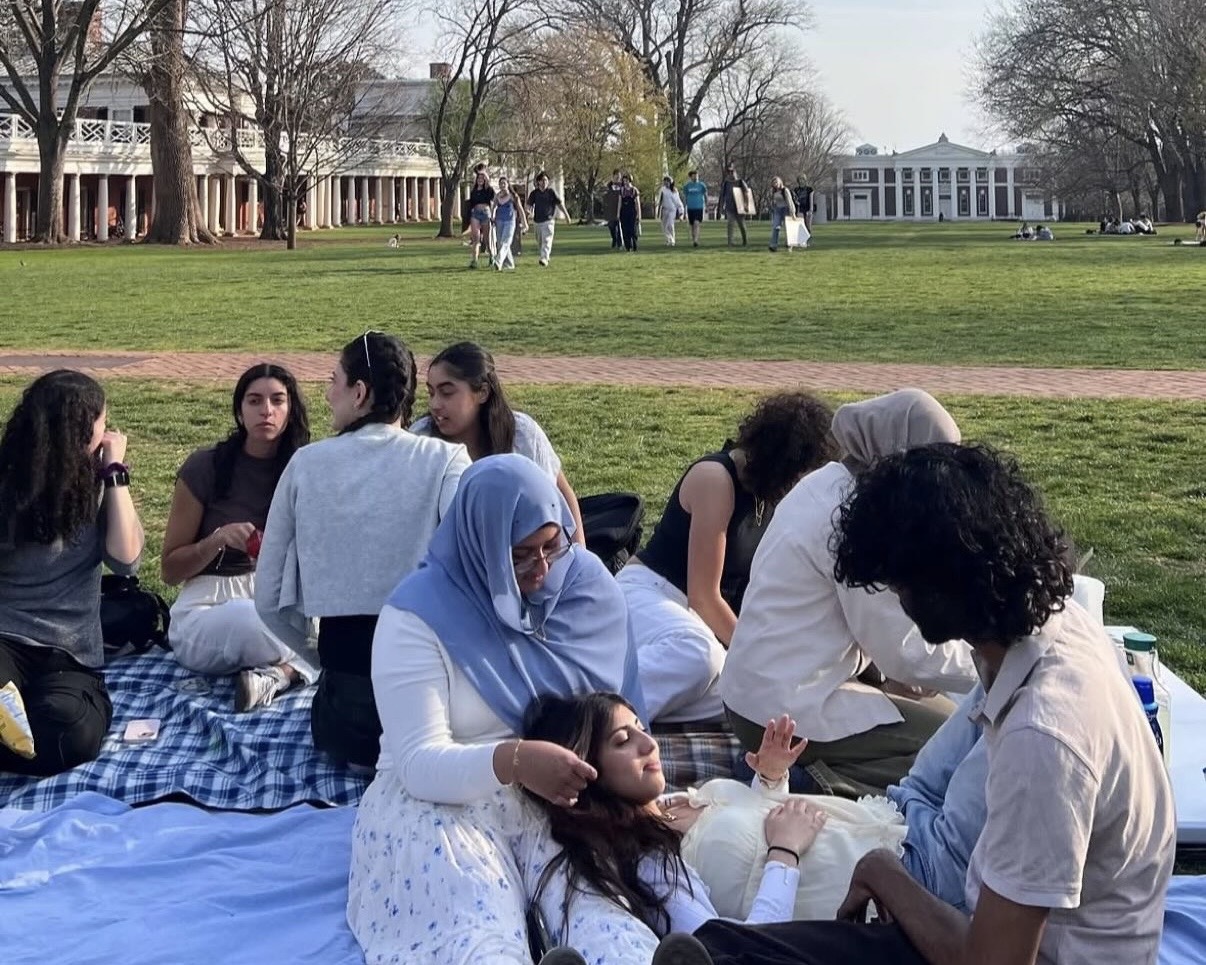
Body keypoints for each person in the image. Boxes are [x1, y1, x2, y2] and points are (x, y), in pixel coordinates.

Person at [693, 443, 1176, 965]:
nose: (895, 599)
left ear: (935, 586)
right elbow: (921, 795)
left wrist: (885, 873)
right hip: (989, 928)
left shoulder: (1045, 735)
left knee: (745, 958)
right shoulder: (1042, 632)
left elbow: (992, 962)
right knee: (728, 943)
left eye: (896, 584)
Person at [346, 455, 656, 965]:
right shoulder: (417, 616)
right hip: (438, 802)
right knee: (472, 917)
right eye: (520, 555)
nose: (542, 569)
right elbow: (419, 762)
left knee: (601, 912)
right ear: (482, 544)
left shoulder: (583, 586)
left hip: (555, 799)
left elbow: (622, 708)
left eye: (551, 545)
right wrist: (513, 761)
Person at [719, 389, 978, 797]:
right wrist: (990, 655)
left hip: (756, 694)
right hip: (780, 712)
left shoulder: (825, 482)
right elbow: (906, 652)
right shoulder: (852, 518)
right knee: (957, 751)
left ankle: (793, 766)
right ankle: (800, 778)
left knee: (952, 722)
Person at [255, 332, 470, 767]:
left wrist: (316, 656)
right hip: (435, 709)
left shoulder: (306, 465)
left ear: (360, 392)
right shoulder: (446, 461)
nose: (327, 392)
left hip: (346, 721)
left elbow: (268, 596)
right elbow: (474, 570)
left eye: (334, 380)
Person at [522, 695, 828, 944]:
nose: (649, 744)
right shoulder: (652, 868)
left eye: (641, 728)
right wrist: (785, 854)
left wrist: (769, 779)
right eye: (623, 740)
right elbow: (743, 951)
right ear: (587, 774)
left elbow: (753, 828)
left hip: (860, 828)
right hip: (847, 898)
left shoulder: (670, 802)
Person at [619, 393, 835, 725]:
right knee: (699, 657)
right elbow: (704, 598)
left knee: (749, 696)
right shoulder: (715, 479)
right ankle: (601, 718)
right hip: (652, 592)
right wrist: (756, 655)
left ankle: (643, 713)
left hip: (699, 618)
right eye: (799, 475)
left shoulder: (772, 495)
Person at [0, 370, 144, 775]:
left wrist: (115, 474)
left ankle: (19, 734)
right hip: (5, 640)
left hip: (68, 654)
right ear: (79, 429)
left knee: (72, 729)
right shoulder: (9, 484)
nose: (108, 431)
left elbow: (127, 559)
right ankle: (16, 734)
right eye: (102, 422)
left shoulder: (100, 484)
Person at [161, 364, 316, 711]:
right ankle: (304, 665)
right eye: (254, 401)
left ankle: (279, 676)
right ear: (239, 411)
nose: (266, 410)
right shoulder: (206, 467)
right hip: (210, 605)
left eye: (278, 400)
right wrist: (215, 540)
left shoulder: (305, 470)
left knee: (334, 617)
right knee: (254, 620)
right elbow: (170, 570)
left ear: (291, 410)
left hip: (281, 596)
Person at [411, 341, 587, 544]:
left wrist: (580, 558)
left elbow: (560, 495)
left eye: (447, 393)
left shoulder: (521, 433)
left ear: (482, 392)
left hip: (530, 561)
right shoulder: (421, 439)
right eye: (431, 393)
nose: (435, 404)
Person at [527, 170, 571, 266]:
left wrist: (566, 215)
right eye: (542, 180)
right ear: (538, 182)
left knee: (547, 240)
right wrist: (528, 211)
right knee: (540, 242)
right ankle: (545, 256)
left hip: (548, 220)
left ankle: (544, 259)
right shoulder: (534, 193)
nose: (544, 182)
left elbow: (559, 204)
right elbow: (529, 205)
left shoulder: (551, 192)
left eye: (546, 180)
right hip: (537, 221)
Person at [491, 176, 528, 271]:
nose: (502, 185)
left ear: (508, 184)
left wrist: (525, 223)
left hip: (510, 221)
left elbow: (520, 209)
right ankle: (510, 264)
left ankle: (498, 261)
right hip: (499, 221)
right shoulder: (497, 196)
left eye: (504, 183)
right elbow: (493, 207)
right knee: (500, 244)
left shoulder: (513, 196)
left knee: (506, 242)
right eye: (501, 183)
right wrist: (492, 217)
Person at [467, 170, 495, 268]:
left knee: (487, 239)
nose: (480, 180)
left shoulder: (488, 190)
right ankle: (474, 260)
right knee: (476, 239)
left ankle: (492, 257)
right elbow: (471, 203)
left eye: (482, 178)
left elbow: (489, 185)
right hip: (475, 214)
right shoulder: (473, 191)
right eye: (479, 178)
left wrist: (484, 172)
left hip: (485, 214)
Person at [718, 165, 750, 247]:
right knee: (730, 224)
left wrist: (746, 205)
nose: (731, 174)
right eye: (729, 172)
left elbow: (746, 193)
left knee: (741, 225)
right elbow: (722, 196)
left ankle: (745, 241)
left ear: (735, 172)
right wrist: (721, 207)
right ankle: (730, 242)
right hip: (730, 207)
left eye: (732, 172)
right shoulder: (726, 183)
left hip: (740, 207)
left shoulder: (740, 182)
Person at [767, 177, 797, 252]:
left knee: (787, 228)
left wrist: (793, 213)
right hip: (777, 210)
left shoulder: (785, 190)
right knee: (776, 227)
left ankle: (789, 244)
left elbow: (790, 202)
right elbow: (772, 201)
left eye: (776, 182)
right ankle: (773, 245)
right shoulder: (773, 191)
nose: (775, 184)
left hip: (786, 209)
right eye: (774, 183)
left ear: (780, 182)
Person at [683, 170, 708, 247]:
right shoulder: (687, 186)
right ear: (690, 177)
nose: (696, 177)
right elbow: (685, 197)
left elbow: (706, 196)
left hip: (699, 207)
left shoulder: (702, 185)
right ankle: (694, 240)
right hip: (690, 207)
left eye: (697, 175)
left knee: (696, 223)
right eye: (694, 176)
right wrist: (684, 207)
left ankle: (696, 240)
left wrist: (706, 205)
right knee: (692, 225)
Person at [657, 177, 684, 247]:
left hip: (672, 210)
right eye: (665, 181)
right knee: (664, 227)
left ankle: (672, 240)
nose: (666, 183)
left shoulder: (674, 190)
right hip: (664, 210)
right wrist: (658, 211)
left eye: (667, 181)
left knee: (670, 225)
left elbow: (678, 202)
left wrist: (681, 213)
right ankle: (669, 239)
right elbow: (659, 200)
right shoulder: (662, 190)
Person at [619, 173, 641, 251]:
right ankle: (628, 246)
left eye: (627, 180)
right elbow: (620, 202)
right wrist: (618, 213)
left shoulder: (634, 190)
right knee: (625, 230)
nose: (625, 182)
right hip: (624, 212)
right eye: (624, 181)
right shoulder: (622, 190)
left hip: (632, 212)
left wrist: (638, 214)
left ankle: (634, 245)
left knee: (633, 230)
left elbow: (637, 203)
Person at [603, 168, 624, 249]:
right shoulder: (610, 186)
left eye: (619, 176)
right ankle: (614, 239)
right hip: (611, 210)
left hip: (619, 208)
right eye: (616, 176)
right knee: (611, 226)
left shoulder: (622, 186)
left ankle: (619, 243)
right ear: (613, 176)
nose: (617, 177)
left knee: (619, 227)